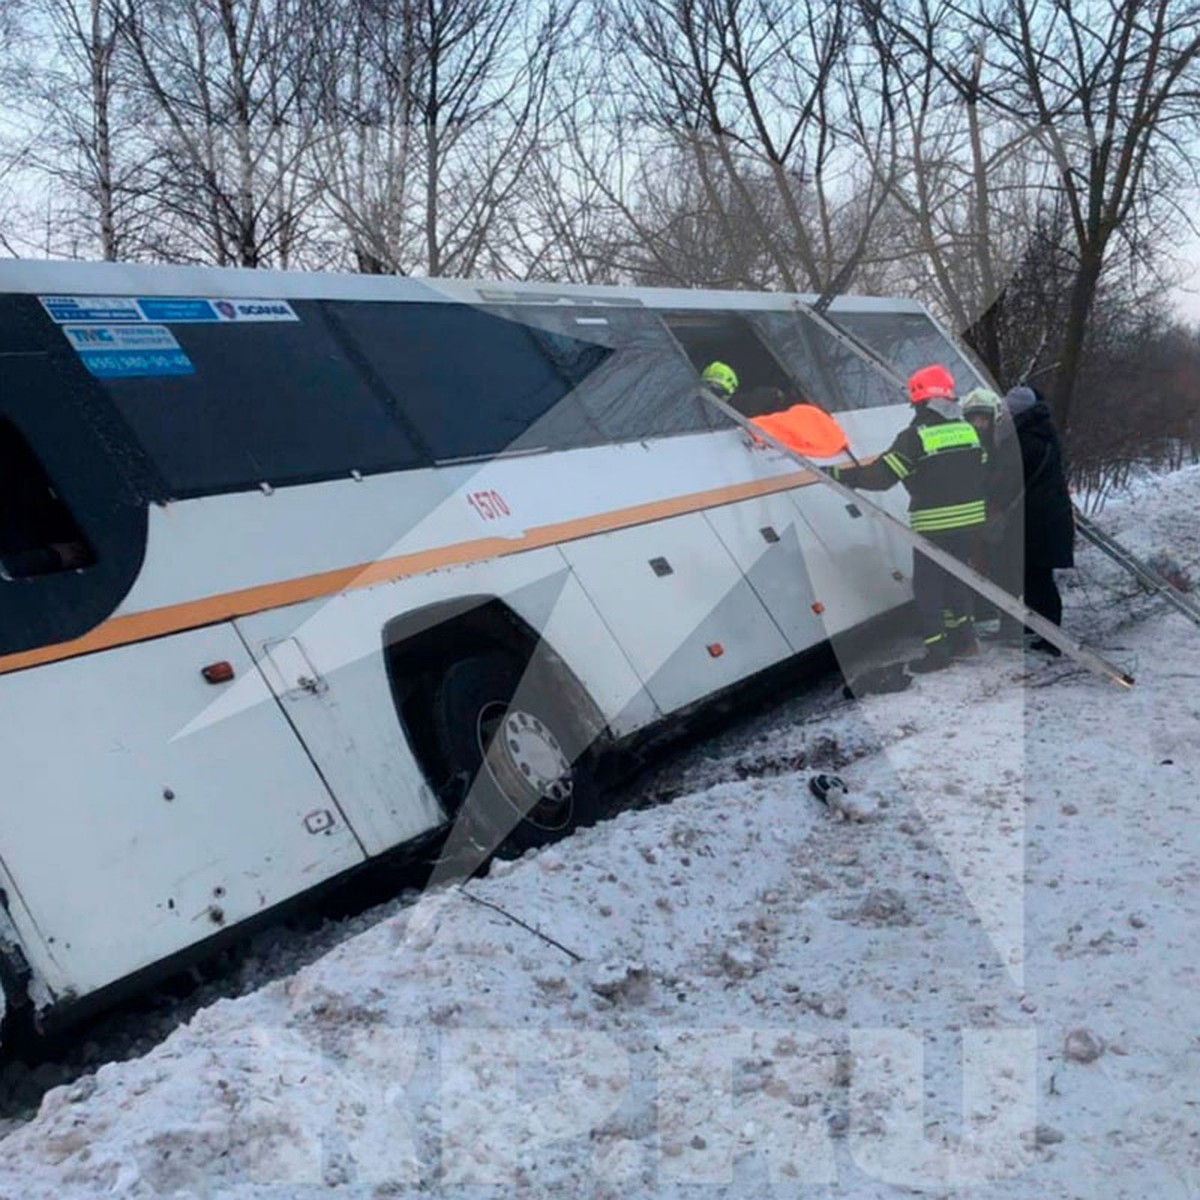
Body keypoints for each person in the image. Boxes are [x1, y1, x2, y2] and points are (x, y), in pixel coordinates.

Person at [828, 363, 986, 673]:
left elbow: (882, 477)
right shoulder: (969, 430)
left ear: (921, 400)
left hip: (935, 524)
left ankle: (937, 652)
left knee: (928, 587)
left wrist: (839, 474)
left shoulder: (916, 436)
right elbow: (976, 468)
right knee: (956, 578)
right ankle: (966, 641)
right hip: (971, 520)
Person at [1003, 384, 1075, 654]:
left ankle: (1051, 637)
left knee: (1038, 579)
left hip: (1038, 522)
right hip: (1046, 519)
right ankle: (1039, 626)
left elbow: (1010, 480)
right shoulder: (1040, 433)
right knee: (1034, 576)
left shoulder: (1025, 441)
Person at [960, 386, 1024, 637]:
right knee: (988, 565)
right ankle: (991, 612)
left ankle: (1010, 626)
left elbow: (1005, 479)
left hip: (1005, 516)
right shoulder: (989, 441)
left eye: (982, 418)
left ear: (993, 416)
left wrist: (986, 491)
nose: (978, 424)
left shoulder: (1005, 444)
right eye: (973, 418)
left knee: (1005, 568)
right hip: (990, 514)